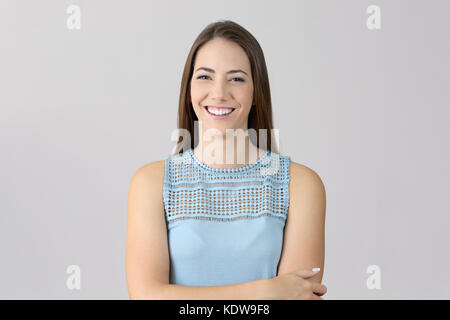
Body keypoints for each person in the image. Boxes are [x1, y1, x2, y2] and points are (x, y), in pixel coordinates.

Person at [125, 20, 327, 300]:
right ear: (189, 88)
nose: (219, 93)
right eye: (205, 77)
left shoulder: (301, 185)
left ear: (257, 91)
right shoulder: (150, 183)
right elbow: (146, 296)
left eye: (236, 78)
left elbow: (298, 298)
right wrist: (265, 291)